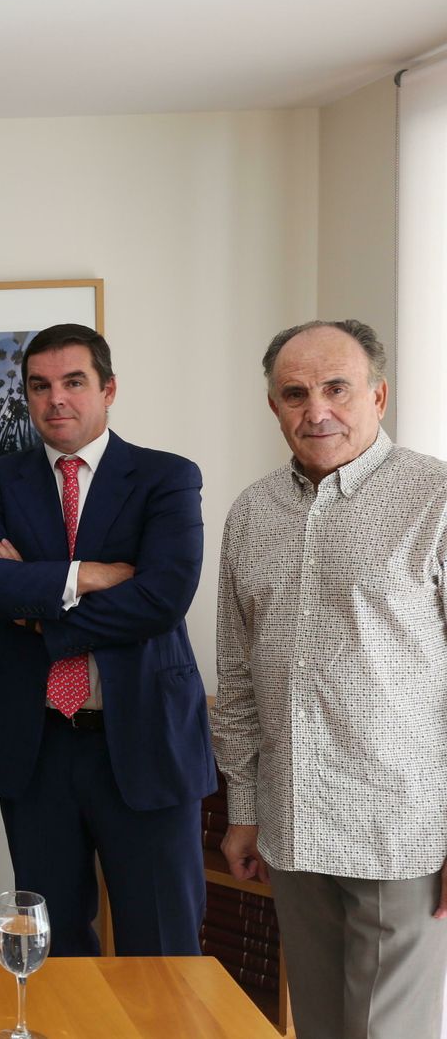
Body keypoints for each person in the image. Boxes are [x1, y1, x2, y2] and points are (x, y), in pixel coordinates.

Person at [215, 319, 447, 1038]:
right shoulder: (252, 513)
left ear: (379, 395)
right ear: (274, 407)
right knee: (317, 1028)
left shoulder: (434, 498)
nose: (316, 410)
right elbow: (237, 679)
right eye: (295, 393)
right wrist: (245, 810)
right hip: (292, 830)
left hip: (401, 833)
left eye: (336, 388)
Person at [0, 322, 212, 956]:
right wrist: (86, 576)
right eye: (39, 386)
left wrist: (38, 607)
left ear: (109, 389)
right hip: (38, 747)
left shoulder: (165, 478)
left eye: (73, 382)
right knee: (52, 944)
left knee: (161, 945)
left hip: (144, 742)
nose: (55, 400)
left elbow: (162, 598)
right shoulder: (4, 480)